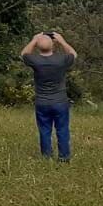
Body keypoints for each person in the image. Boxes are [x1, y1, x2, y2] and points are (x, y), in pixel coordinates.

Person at [20, 30, 77, 161]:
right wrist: (62, 41)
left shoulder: (35, 61)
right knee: (62, 130)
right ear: (53, 45)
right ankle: (64, 157)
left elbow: (24, 54)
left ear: (39, 46)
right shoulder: (62, 60)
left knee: (44, 131)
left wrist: (35, 39)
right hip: (60, 102)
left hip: (42, 102)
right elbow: (73, 54)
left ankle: (46, 157)